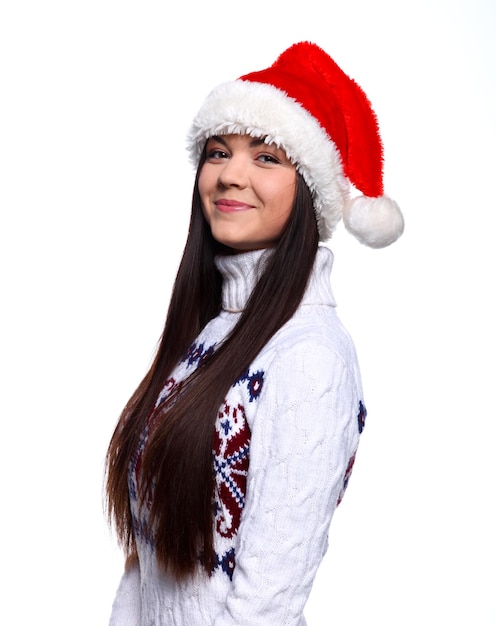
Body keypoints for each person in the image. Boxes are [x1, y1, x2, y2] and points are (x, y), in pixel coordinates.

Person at [105, 41, 404, 626]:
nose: (230, 175)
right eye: (218, 152)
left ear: (309, 192)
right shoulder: (206, 336)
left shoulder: (310, 353)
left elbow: (267, 604)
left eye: (266, 158)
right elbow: (144, 570)